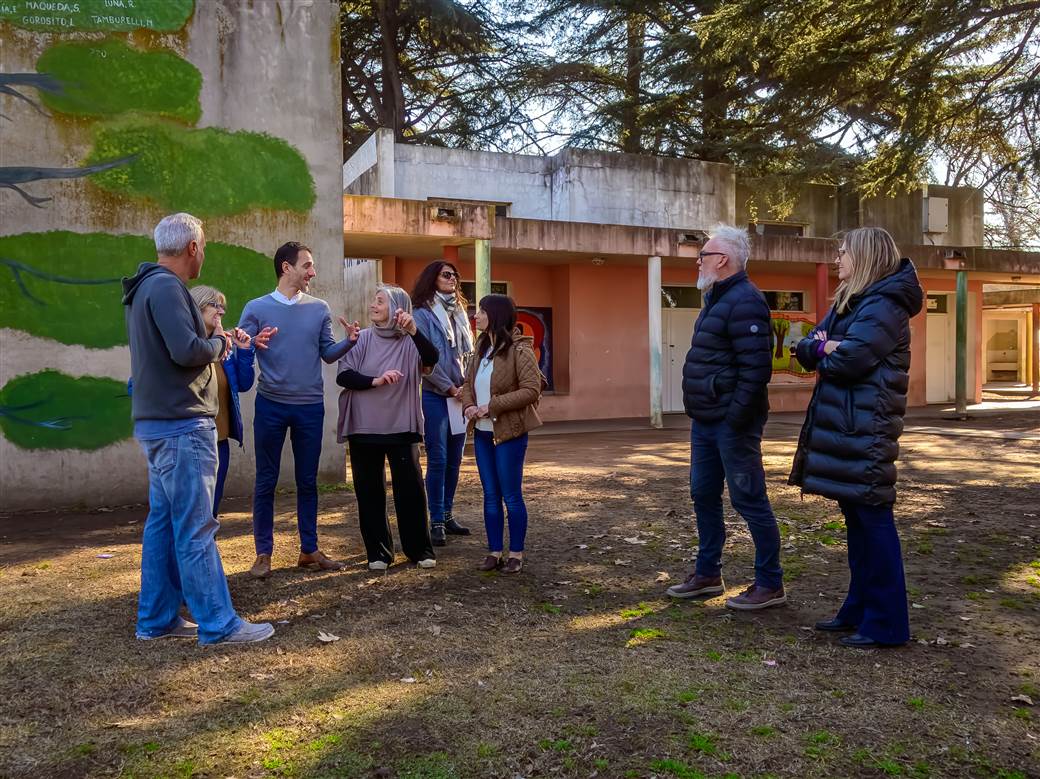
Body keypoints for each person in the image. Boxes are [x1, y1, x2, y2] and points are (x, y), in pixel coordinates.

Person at [123, 212, 273, 644]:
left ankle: (157, 619)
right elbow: (188, 350)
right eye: (203, 247)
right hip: (182, 425)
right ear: (192, 248)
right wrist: (222, 344)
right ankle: (219, 623)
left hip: (159, 423)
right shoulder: (168, 287)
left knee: (165, 524)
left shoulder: (144, 288)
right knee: (195, 526)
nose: (203, 254)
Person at [790, 227, 922, 648]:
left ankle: (886, 624)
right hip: (849, 429)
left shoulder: (884, 305)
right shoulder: (853, 300)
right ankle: (860, 609)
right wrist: (824, 346)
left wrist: (829, 349)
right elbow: (805, 346)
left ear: (863, 256)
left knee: (873, 522)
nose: (837, 260)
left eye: (843, 253)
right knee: (857, 524)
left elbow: (850, 360)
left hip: (867, 430)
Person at [666, 224, 785, 610]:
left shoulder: (746, 301)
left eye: (703, 255)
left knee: (749, 499)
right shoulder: (715, 299)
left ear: (722, 259)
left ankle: (770, 583)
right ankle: (708, 574)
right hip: (706, 421)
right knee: (703, 493)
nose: (698, 262)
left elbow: (756, 370)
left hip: (732, 424)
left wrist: (734, 419)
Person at [238, 241, 360, 579]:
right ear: (286, 268)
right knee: (266, 479)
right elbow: (242, 348)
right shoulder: (255, 308)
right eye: (307, 265)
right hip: (270, 406)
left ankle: (309, 550)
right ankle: (263, 554)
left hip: (310, 407)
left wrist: (348, 341)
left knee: (308, 481)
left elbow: (327, 352)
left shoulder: (319, 308)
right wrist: (246, 343)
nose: (313, 272)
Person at [336, 285, 439, 569]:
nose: (373, 305)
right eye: (374, 300)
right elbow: (344, 377)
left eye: (380, 301)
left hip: (401, 426)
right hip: (364, 427)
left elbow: (432, 359)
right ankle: (379, 553)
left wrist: (415, 330)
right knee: (369, 492)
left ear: (397, 308)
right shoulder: (362, 338)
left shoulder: (410, 341)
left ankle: (419, 550)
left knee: (411, 491)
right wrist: (377, 380)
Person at [460, 294, 543, 574]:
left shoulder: (520, 350)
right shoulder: (481, 347)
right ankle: (494, 552)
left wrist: (492, 406)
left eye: (481, 311)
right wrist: (470, 405)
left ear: (494, 315)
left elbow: (531, 390)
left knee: (511, 495)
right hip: (483, 434)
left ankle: (516, 554)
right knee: (490, 494)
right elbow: (468, 382)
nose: (476, 316)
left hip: (509, 434)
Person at [188, 285, 271, 518]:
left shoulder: (223, 345)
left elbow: (243, 384)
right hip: (192, 439)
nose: (222, 312)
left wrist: (244, 350)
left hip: (220, 440)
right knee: (194, 508)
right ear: (198, 306)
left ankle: (207, 551)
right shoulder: (187, 346)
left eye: (223, 307)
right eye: (216, 305)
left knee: (212, 507)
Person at [411, 261, 474, 546]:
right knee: (438, 458)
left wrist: (465, 387)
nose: (453, 279)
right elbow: (424, 359)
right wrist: (448, 387)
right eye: (446, 274)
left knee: (455, 459)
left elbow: (466, 356)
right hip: (435, 394)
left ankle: (448, 514)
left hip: (459, 395)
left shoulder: (459, 313)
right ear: (432, 279)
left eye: (455, 275)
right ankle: (434, 519)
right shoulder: (422, 314)